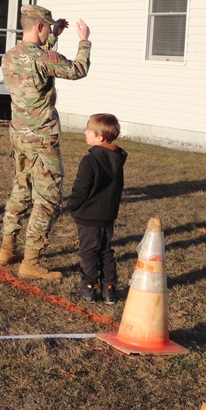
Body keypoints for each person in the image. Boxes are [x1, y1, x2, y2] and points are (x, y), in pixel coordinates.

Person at [0, 5, 91, 280]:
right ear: (38, 27)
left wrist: (54, 37)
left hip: (20, 134)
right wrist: (84, 40)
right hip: (42, 137)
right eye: (48, 26)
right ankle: (31, 261)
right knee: (48, 198)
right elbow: (77, 69)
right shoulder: (42, 57)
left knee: (21, 187)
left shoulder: (11, 55)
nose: (50, 29)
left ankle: (7, 248)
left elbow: (37, 61)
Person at [67, 113, 127, 304]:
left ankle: (88, 288)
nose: (85, 133)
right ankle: (109, 289)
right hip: (108, 215)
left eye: (89, 130)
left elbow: (81, 187)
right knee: (105, 250)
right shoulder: (117, 160)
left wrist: (72, 204)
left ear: (99, 137)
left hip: (89, 216)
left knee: (89, 252)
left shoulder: (90, 160)